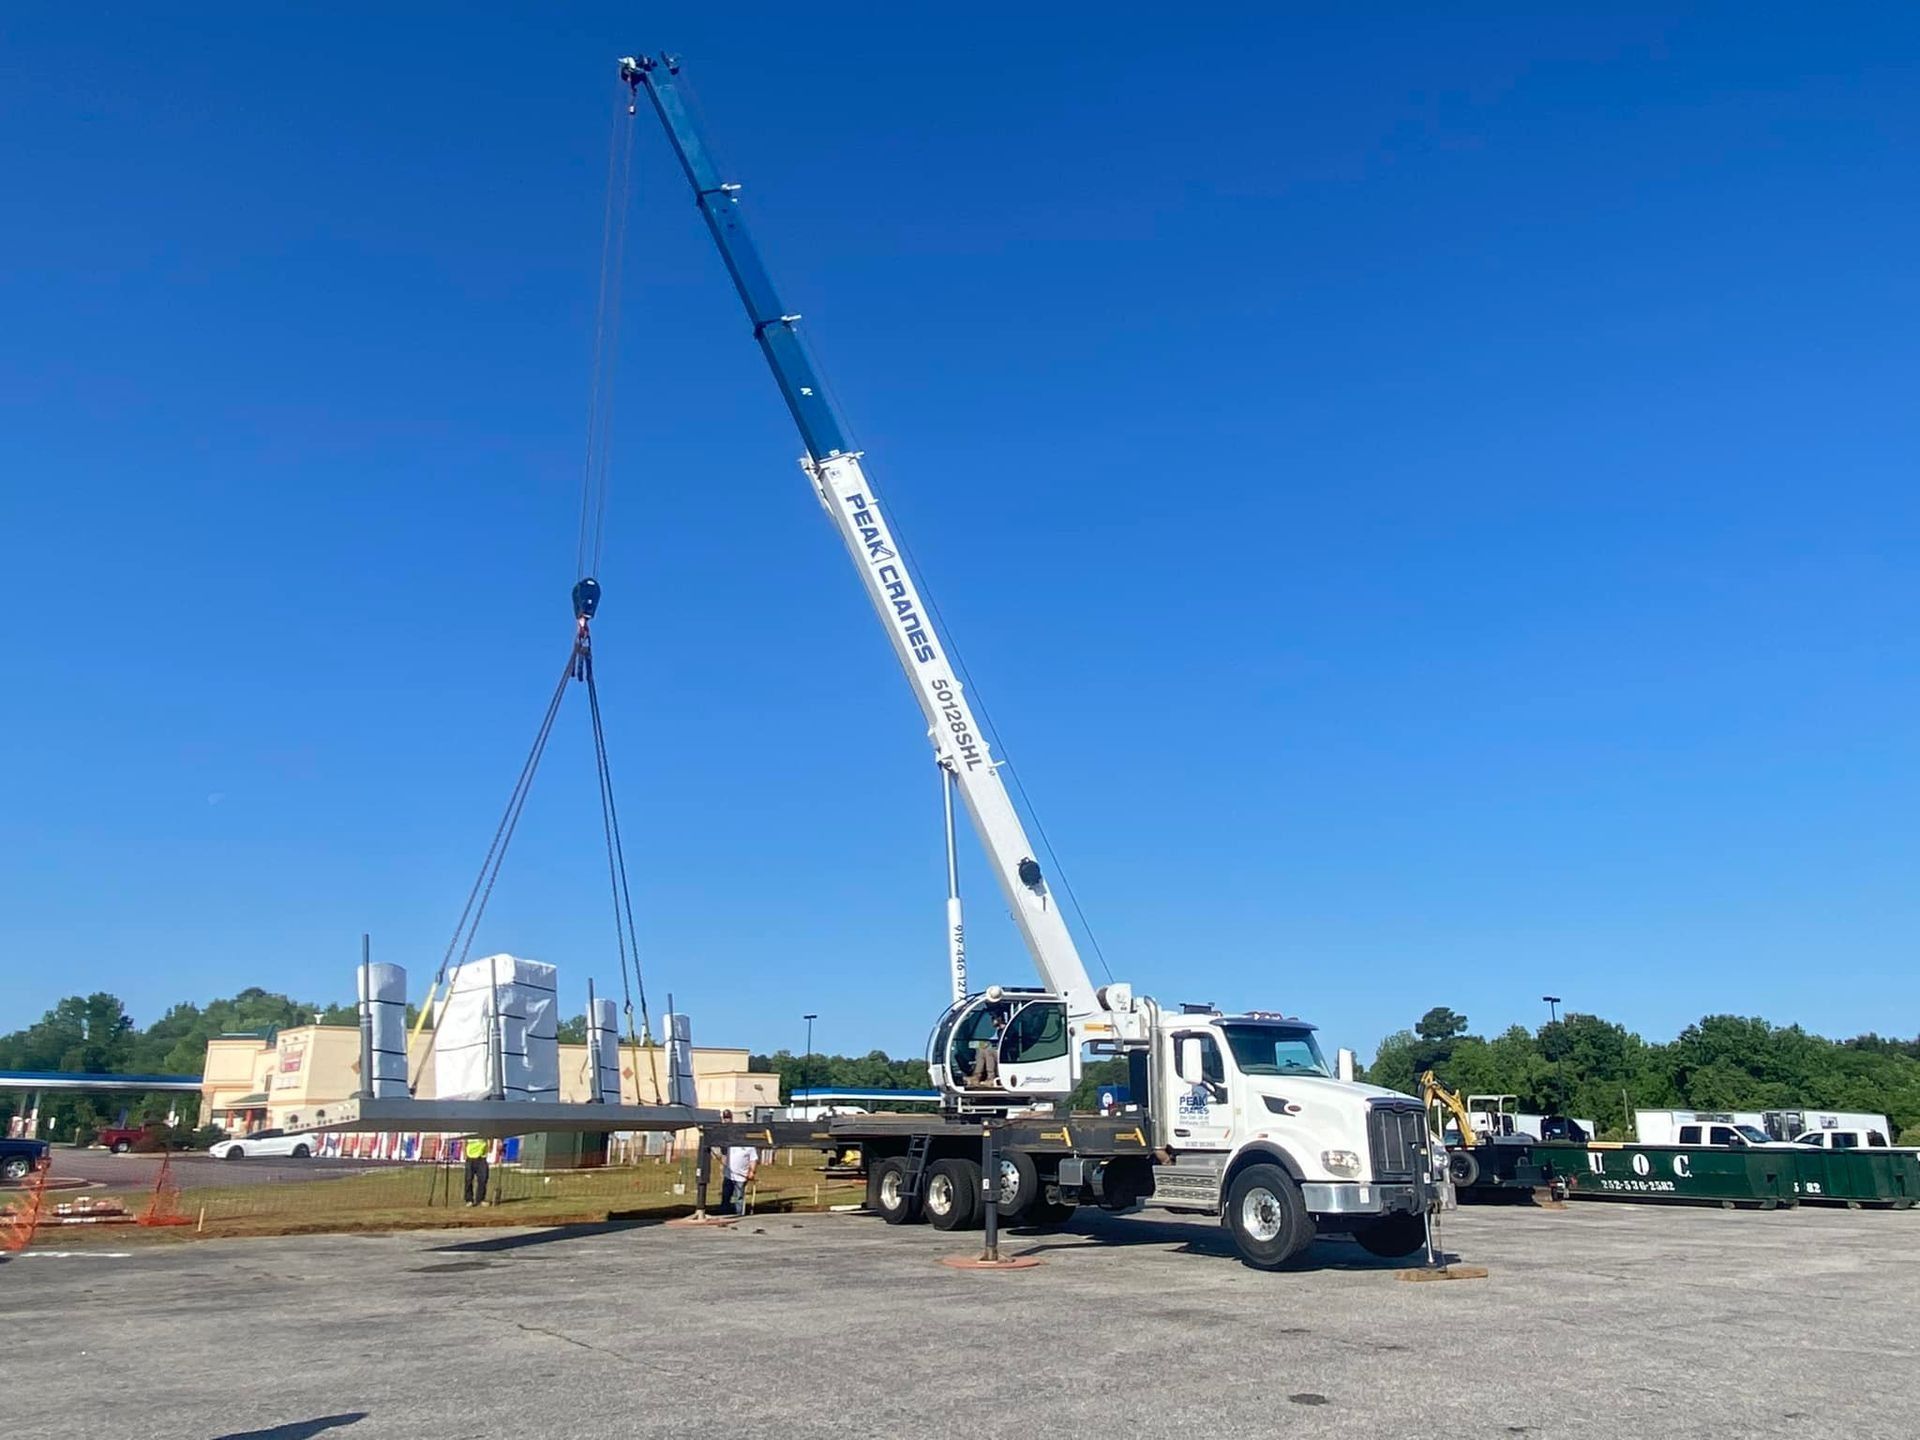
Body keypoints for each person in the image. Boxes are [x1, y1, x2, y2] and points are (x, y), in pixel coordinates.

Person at [462, 1135, 490, 1207]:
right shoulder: (469, 1131)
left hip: (481, 1158)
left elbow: (490, 1138)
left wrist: (490, 1148)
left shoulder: (485, 1131)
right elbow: (464, 1142)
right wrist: (465, 1154)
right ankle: (469, 1200)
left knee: (483, 1179)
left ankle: (480, 1199)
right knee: (468, 1179)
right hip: (470, 1158)